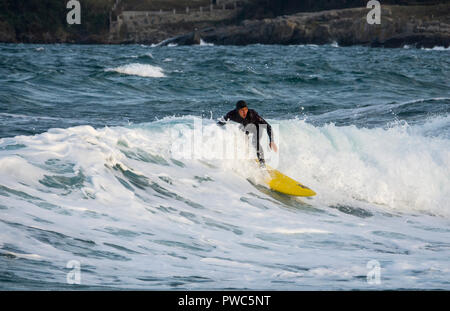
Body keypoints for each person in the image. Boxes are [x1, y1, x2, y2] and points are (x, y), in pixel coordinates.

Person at [217, 100, 277, 166]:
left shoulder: (252, 114)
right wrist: (214, 128)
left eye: (246, 109)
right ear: (238, 111)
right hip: (246, 127)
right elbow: (221, 123)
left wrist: (271, 141)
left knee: (255, 143)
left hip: (257, 127)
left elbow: (268, 126)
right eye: (242, 110)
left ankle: (262, 164)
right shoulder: (231, 115)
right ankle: (246, 158)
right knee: (241, 139)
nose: (244, 112)